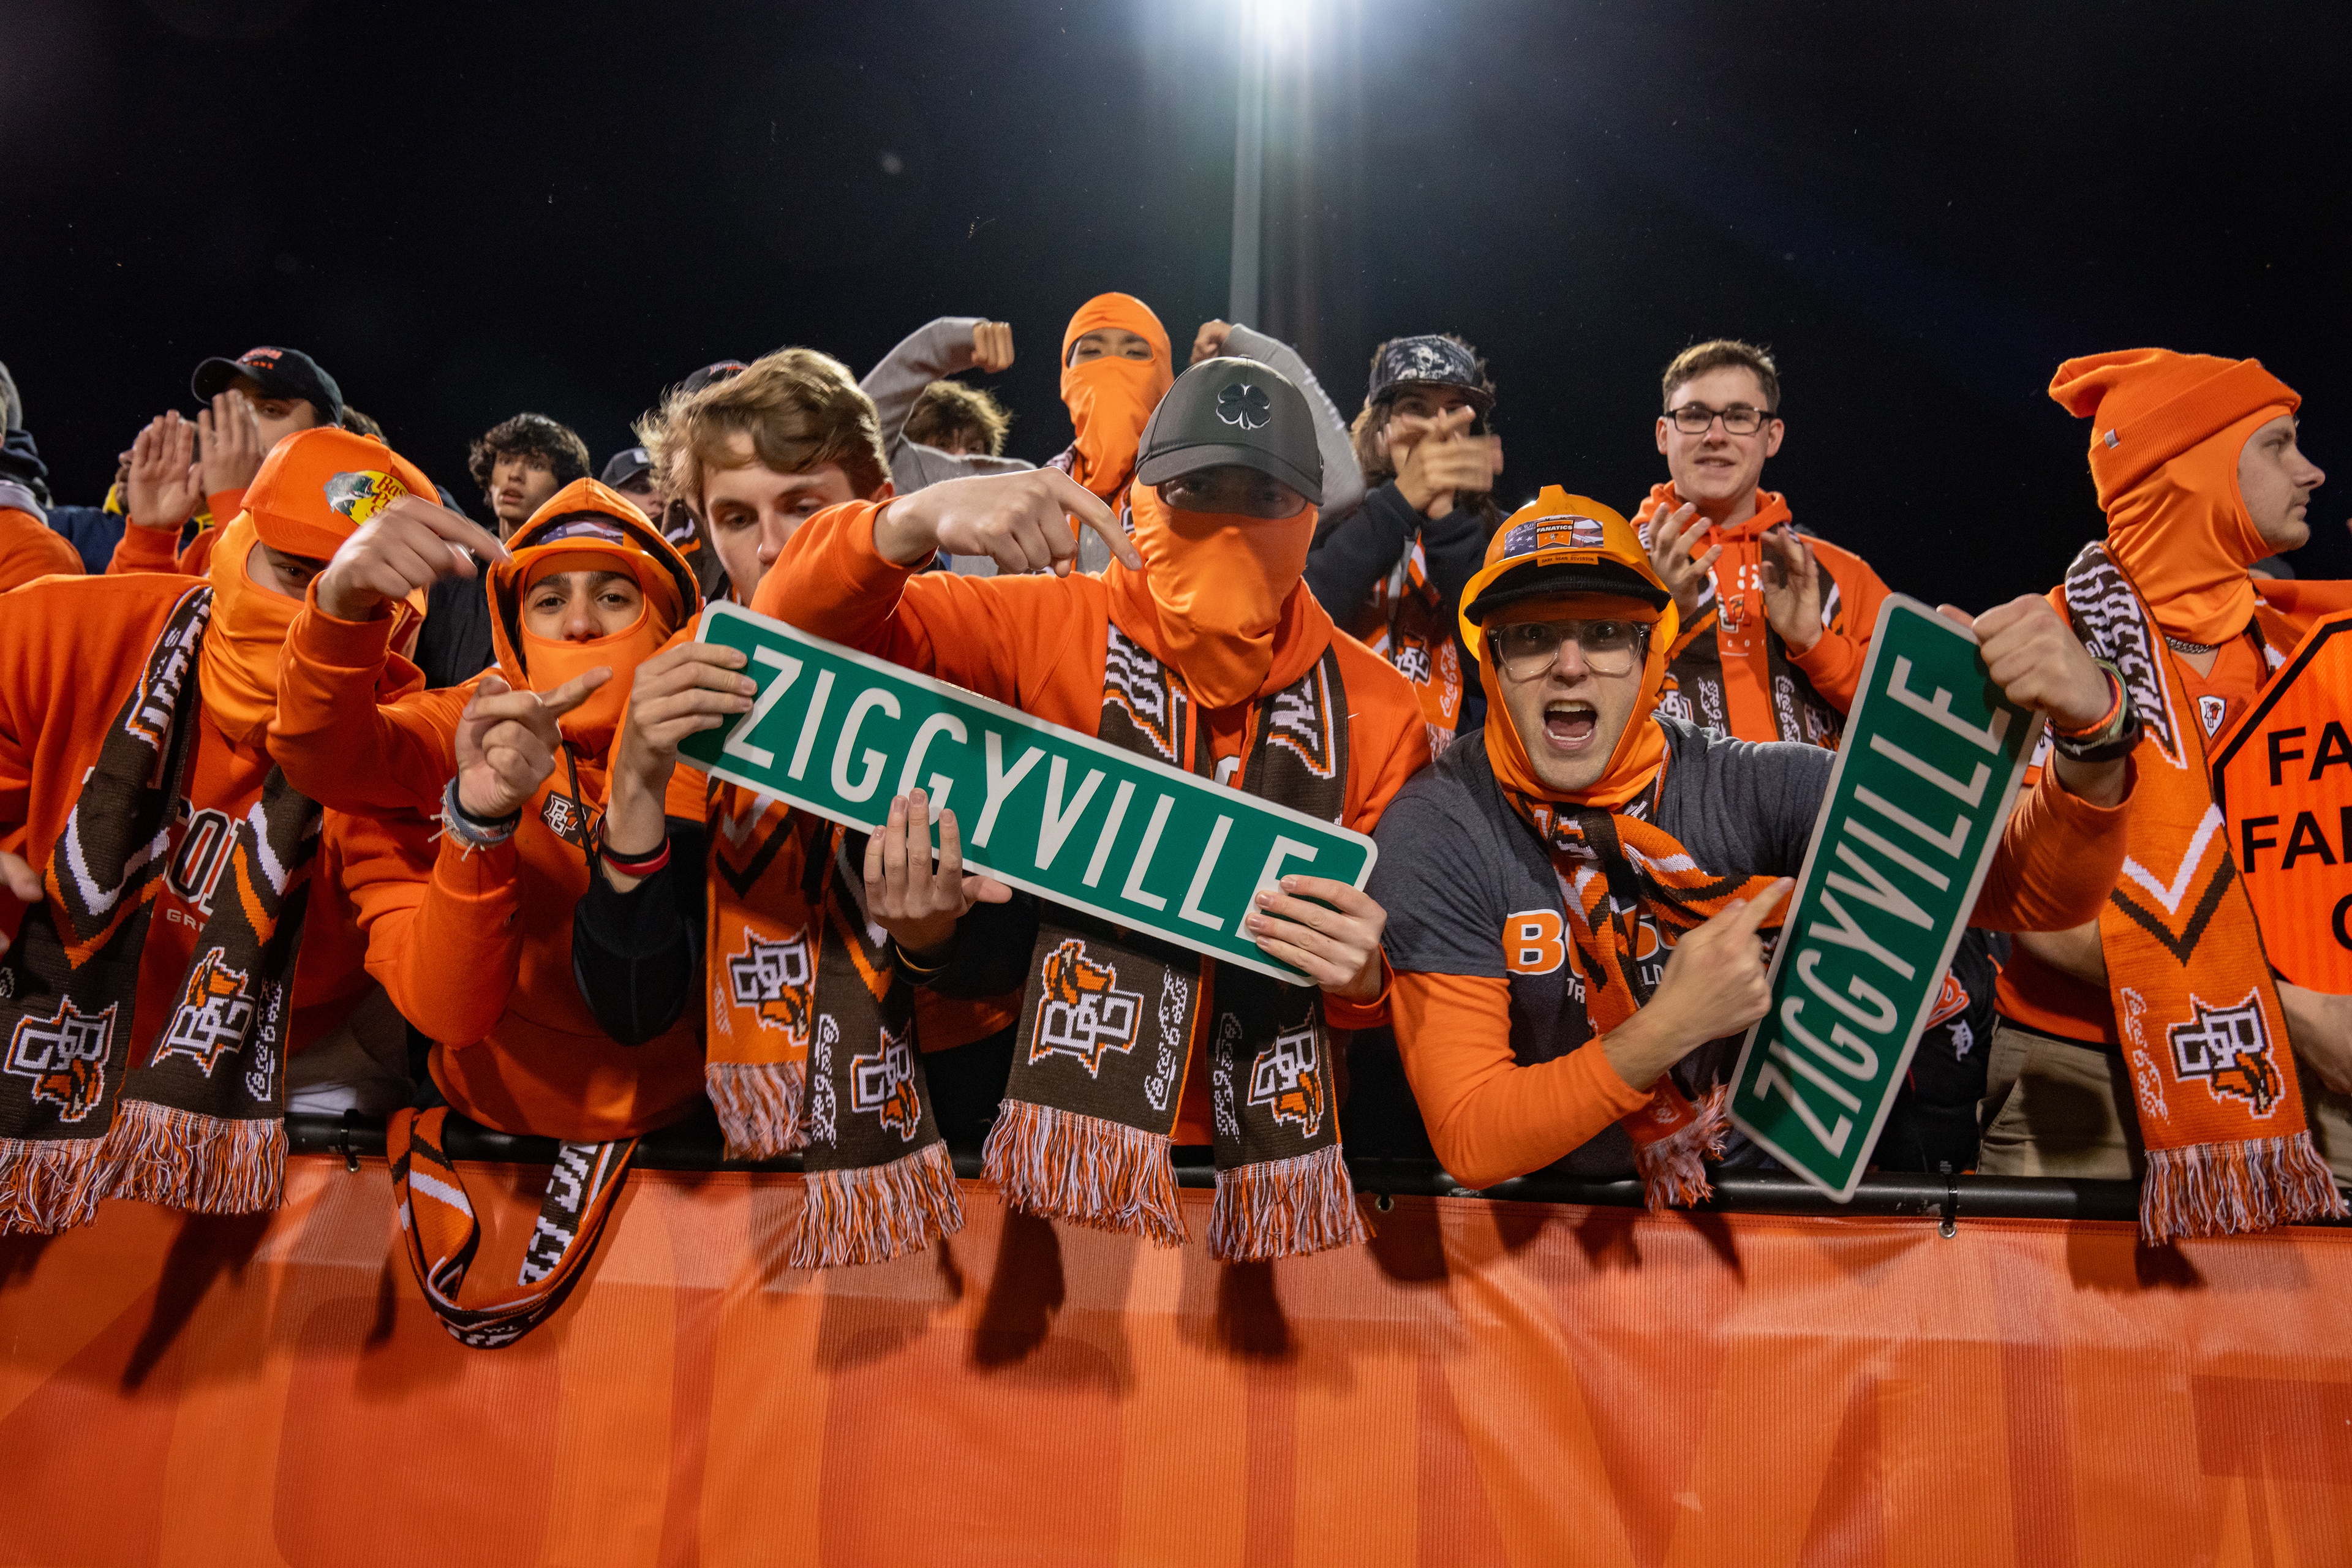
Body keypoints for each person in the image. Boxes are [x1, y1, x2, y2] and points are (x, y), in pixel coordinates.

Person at [753, 356, 1430, 1260]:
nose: (1228, 521)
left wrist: (1365, 988)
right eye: (1197, 487)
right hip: (1046, 1158)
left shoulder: (1382, 709)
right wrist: (906, 523)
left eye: (1261, 496)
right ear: (1140, 496)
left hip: (1259, 1179)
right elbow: (789, 639)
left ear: (1309, 517)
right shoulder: (1030, 625)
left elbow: (1414, 984)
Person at [1369, 488, 2140, 1210]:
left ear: (1652, 654)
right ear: (1491, 664)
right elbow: (1472, 1132)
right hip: (1542, 1245)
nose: (1571, 664)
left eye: (1605, 632)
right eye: (1533, 636)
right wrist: (1670, 1026)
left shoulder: (1748, 785)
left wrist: (2093, 743)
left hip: (1742, 1216)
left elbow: (2031, 894)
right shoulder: (1439, 825)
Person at [569, 345, 1009, 1267]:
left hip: (965, 1111)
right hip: (766, 1139)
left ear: (878, 496)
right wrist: (638, 782)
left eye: (804, 507)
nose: (770, 548)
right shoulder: (684, 674)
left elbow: (1033, 946)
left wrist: (932, 943)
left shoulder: (961, 634)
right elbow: (637, 1005)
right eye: (735, 516)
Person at [0, 426, 477, 1234]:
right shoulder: (67, 628)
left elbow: (445, 1003)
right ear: (236, 543)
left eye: (353, 596)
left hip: (291, 1052)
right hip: (55, 1011)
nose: (308, 613)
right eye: (292, 572)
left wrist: (483, 829)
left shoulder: (404, 747)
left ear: (398, 626)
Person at [273, 473, 710, 1341]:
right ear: (512, 628)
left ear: (664, 620)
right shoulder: (470, 718)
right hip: (485, 1129)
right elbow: (324, 751)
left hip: (684, 1139)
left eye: (614, 595)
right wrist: (342, 605)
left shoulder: (722, 738)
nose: (581, 622)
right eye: (549, 599)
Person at [1986, 349, 2352, 1234]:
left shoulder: (2316, 647)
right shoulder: (2040, 651)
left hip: (2322, 1072)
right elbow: (2036, 909)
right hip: (2084, 1077)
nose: (2312, 470)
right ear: (2188, 473)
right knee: (2089, 1366)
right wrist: (2286, 1008)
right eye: (2277, 446)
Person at [1637, 340, 1893, 748]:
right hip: (1669, 812)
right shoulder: (1617, 563)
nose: (1715, 435)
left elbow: (1907, 723)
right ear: (1664, 435)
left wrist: (1815, 643)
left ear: (1772, 436)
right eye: (1695, 415)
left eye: (1739, 417)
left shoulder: (1837, 574)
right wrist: (1655, 619)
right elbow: (1576, 721)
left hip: (1814, 812)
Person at [1304, 333, 1506, 752]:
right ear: (1381, 429)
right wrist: (1399, 504)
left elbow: (1500, 668)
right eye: (1416, 408)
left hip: (1448, 784)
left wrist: (1446, 521)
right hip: (1329, 757)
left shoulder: (1501, 536)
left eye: (1454, 412)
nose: (1438, 429)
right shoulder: (1327, 516)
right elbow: (1295, 619)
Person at [110, 345, 345, 578]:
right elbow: (136, 615)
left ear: (325, 438)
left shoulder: (342, 545)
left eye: (270, 410)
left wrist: (231, 499)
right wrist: (151, 538)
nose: (240, 423)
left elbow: (250, 610)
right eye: (231, 408)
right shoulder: (203, 548)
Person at [859, 316, 1033, 494]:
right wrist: (943, 341)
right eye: (943, 444)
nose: (962, 456)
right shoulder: (897, 475)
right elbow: (859, 426)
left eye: (974, 449)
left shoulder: (1018, 488)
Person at [469, 412, 590, 537]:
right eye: (506, 461)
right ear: (489, 479)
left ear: (563, 488)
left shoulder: (577, 555)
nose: (515, 475)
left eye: (536, 466)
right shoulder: (465, 553)